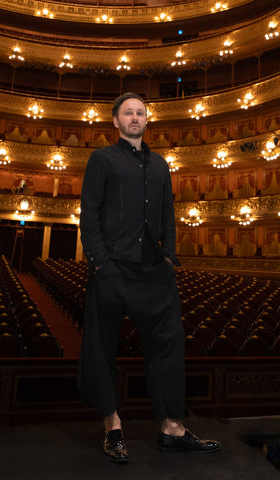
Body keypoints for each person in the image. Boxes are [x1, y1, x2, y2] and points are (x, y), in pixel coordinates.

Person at [78, 92, 220, 463]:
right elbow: (89, 213)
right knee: (102, 347)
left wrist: (170, 256)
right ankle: (112, 426)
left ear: (146, 120)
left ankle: (172, 428)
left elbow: (169, 214)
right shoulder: (101, 159)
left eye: (141, 112)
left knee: (169, 345)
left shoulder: (160, 165)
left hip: (154, 269)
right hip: (112, 269)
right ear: (116, 121)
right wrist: (100, 264)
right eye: (128, 112)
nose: (135, 117)